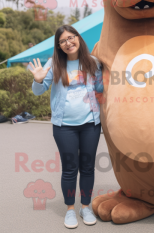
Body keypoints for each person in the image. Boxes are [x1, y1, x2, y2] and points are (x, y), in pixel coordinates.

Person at [30, 25, 103, 229]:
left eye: (71, 38)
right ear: (59, 46)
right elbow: (38, 90)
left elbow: (99, 88)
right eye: (63, 41)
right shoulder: (54, 64)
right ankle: (70, 209)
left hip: (91, 124)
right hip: (64, 127)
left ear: (78, 39)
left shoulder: (93, 62)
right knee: (70, 169)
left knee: (87, 168)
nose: (68, 43)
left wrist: (108, 78)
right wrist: (37, 81)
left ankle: (85, 207)